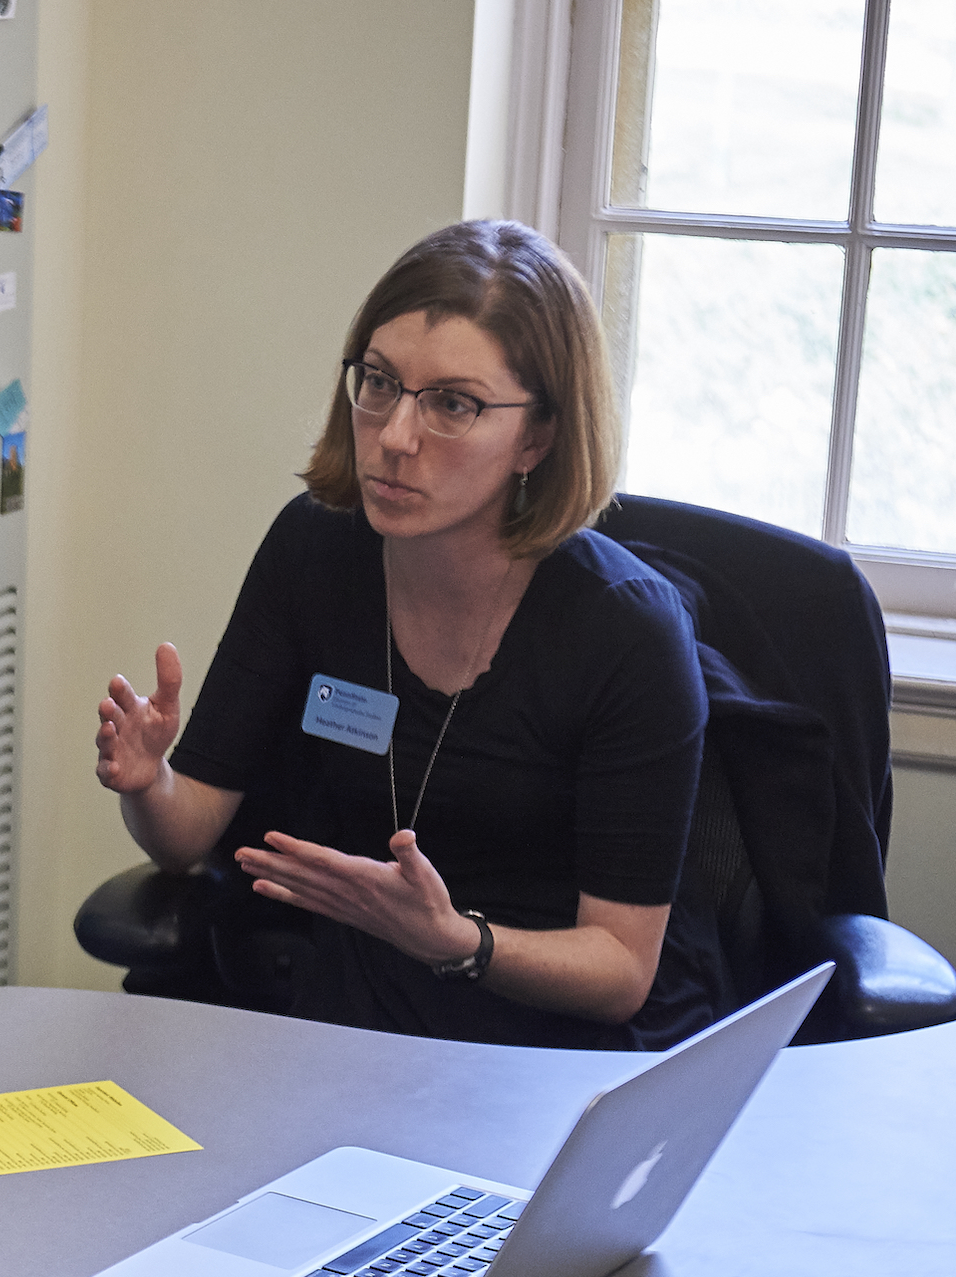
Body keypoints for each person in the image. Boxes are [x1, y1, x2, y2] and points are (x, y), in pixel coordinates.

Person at [94, 220, 715, 1050]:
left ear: (538, 437)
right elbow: (187, 838)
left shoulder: (626, 632)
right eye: (379, 382)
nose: (393, 435)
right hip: (353, 1018)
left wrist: (457, 940)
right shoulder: (315, 548)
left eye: (453, 404)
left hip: (548, 1056)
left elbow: (621, 970)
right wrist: (148, 783)